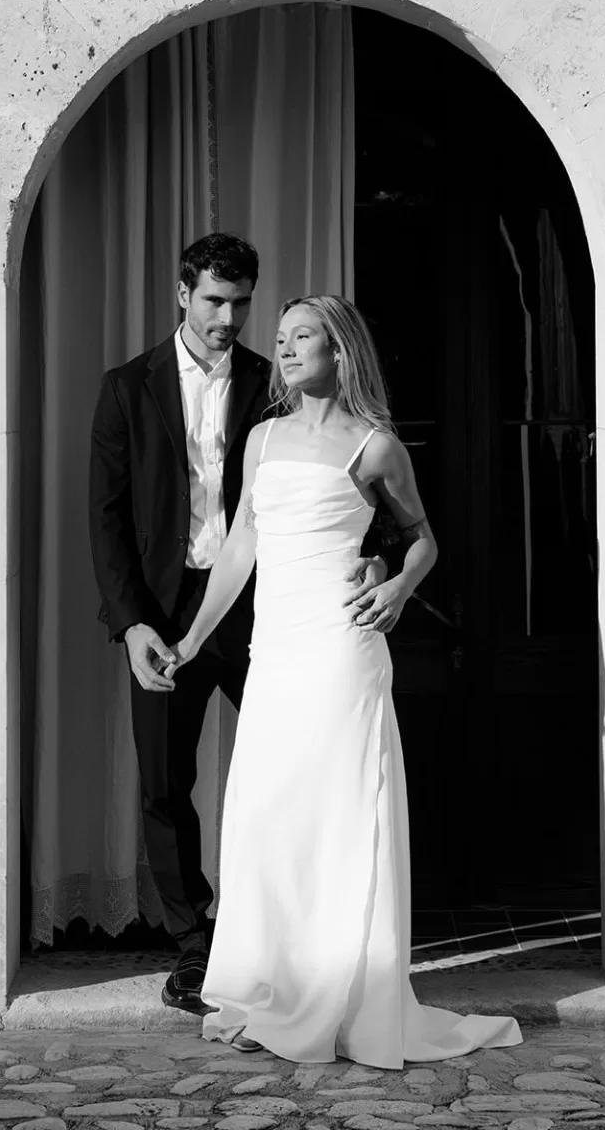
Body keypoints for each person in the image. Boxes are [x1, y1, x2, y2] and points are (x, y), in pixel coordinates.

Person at [164, 294, 523, 1065]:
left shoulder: (376, 446)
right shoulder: (261, 439)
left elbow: (422, 539)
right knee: (270, 810)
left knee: (336, 813)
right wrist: (192, 639)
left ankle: (341, 992)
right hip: (277, 650)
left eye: (304, 338)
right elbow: (240, 548)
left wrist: (396, 586)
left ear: (340, 352)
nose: (286, 350)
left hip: (340, 649)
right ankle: (272, 985)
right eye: (284, 338)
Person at [88, 236, 385, 1015]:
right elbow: (107, 520)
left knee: (295, 778)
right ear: (183, 292)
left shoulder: (275, 382)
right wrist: (132, 627)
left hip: (272, 613)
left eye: (242, 302)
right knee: (162, 783)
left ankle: (304, 944)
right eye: (216, 300)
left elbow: (352, 480)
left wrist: (380, 565)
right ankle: (197, 949)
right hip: (166, 614)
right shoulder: (126, 389)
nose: (231, 317)